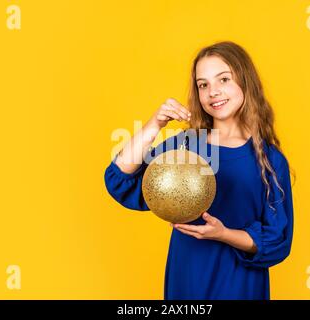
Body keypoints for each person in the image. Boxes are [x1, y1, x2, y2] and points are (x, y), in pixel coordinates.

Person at [104, 41, 294, 300]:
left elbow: (278, 240)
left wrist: (223, 234)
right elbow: (121, 180)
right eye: (203, 84)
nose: (213, 92)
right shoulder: (186, 146)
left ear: (245, 82)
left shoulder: (270, 160)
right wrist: (155, 124)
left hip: (240, 285)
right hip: (188, 279)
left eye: (223, 79)